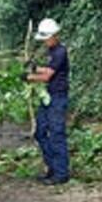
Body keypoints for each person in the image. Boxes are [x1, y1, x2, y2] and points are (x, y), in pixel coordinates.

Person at [24, 18, 71, 186]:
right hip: (48, 97)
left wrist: (28, 77)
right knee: (40, 132)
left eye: (46, 38)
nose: (44, 41)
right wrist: (34, 67)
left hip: (58, 98)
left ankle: (61, 174)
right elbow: (48, 69)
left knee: (57, 134)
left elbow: (47, 76)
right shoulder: (52, 51)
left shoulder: (60, 51)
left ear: (54, 35)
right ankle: (52, 168)